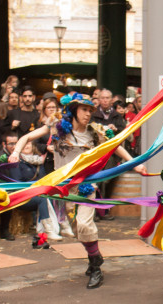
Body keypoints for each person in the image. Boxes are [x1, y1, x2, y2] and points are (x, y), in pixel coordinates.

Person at [11, 93, 145, 288]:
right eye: (84, 109)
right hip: (63, 187)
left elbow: (115, 145)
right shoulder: (57, 126)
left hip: (86, 185)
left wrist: (135, 165)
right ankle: (94, 256)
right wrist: (15, 153)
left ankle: (96, 265)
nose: (88, 114)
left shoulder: (95, 131)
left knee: (84, 225)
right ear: (73, 110)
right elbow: (27, 137)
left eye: (91, 110)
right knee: (77, 231)